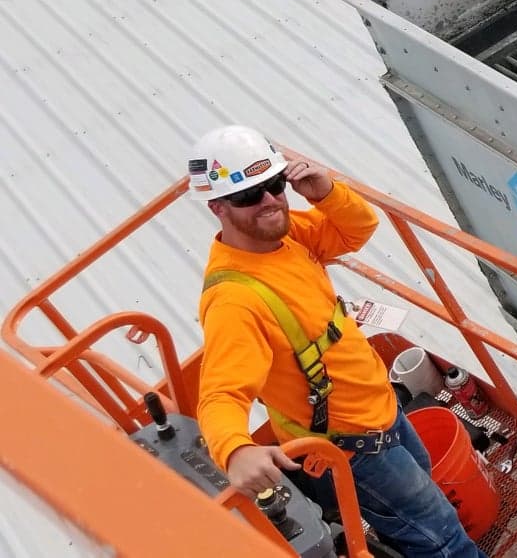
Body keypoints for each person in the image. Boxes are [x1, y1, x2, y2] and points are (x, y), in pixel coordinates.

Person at [191, 125, 484, 558]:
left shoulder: (286, 236)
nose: (270, 200)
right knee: (441, 539)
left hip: (382, 411)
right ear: (217, 207)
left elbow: (357, 229)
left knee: (421, 513)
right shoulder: (235, 300)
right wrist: (234, 450)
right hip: (353, 448)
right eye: (248, 195)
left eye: (275, 185)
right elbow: (220, 393)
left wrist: (326, 193)